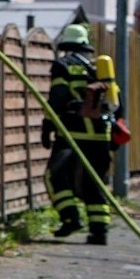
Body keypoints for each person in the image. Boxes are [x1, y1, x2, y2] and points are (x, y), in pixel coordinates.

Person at [43, 24, 113, 244]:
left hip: (71, 135)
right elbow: (115, 105)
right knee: (95, 184)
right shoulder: (98, 69)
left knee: (54, 176)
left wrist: (47, 125)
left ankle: (70, 217)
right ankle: (99, 231)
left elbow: (57, 98)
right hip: (101, 137)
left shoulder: (63, 66)